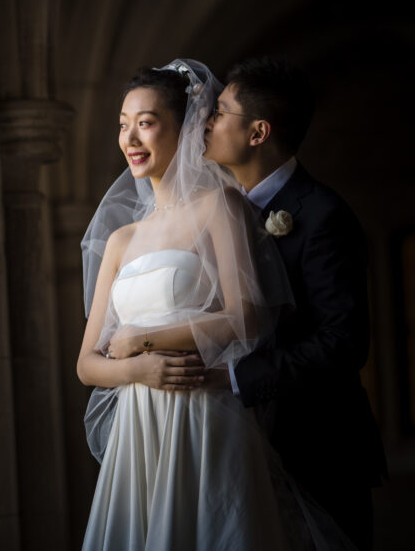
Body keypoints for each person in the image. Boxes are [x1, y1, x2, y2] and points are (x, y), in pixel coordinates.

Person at [77, 60, 303, 550]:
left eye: (146, 123)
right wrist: (139, 370)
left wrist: (143, 340)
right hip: (138, 429)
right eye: (123, 124)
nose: (130, 139)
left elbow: (247, 315)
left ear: (184, 127)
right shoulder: (120, 239)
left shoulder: (220, 206)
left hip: (202, 413)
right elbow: (87, 364)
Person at [203, 57, 387, 549]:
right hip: (233, 451)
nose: (207, 123)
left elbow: (342, 343)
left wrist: (236, 379)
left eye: (220, 112)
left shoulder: (323, 215)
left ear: (258, 132)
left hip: (317, 448)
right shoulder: (215, 211)